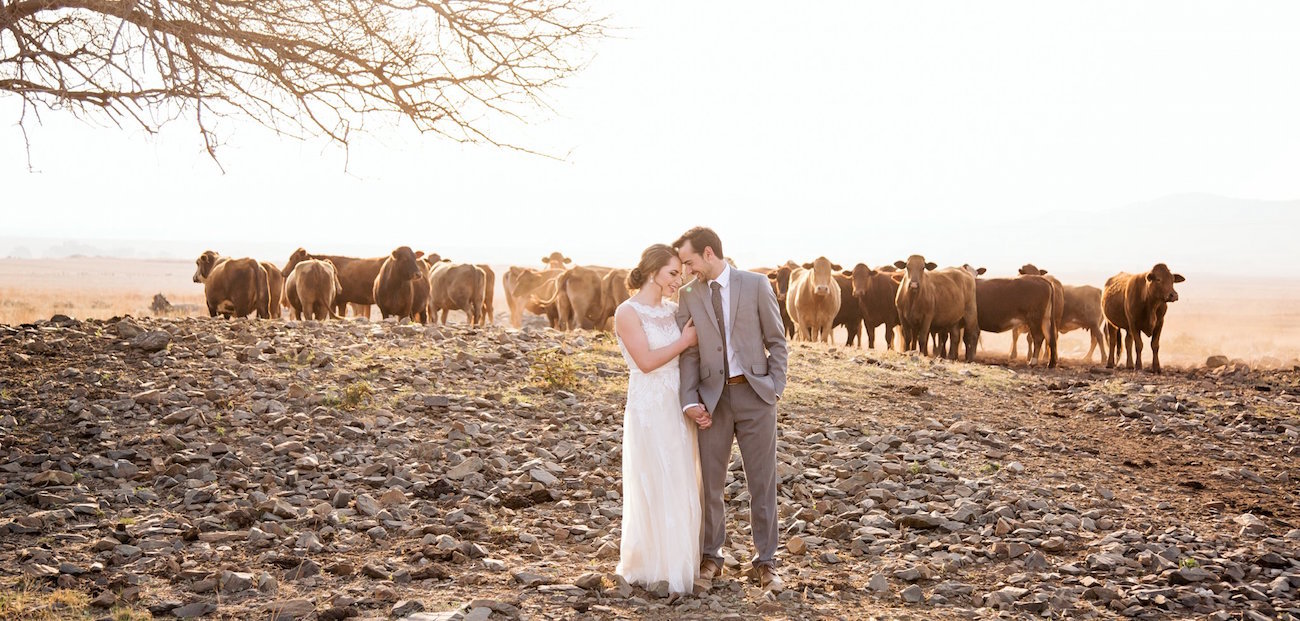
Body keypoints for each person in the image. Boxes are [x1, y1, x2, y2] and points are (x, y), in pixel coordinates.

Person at [672, 226, 789, 591]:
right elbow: (689, 353)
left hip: (756, 397)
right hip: (713, 402)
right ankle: (711, 557)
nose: (687, 270)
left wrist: (774, 389)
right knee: (709, 484)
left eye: (689, 261)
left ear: (709, 253)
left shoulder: (755, 284)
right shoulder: (688, 294)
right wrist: (690, 399)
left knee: (762, 483)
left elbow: (777, 341)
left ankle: (766, 562)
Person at [613, 243, 704, 595]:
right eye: (671, 274)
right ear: (652, 271)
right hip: (649, 407)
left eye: (679, 275)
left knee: (681, 478)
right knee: (654, 477)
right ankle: (650, 564)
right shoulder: (627, 312)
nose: (676, 281)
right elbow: (646, 362)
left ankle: (679, 564)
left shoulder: (673, 310)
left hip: (676, 404)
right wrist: (683, 341)